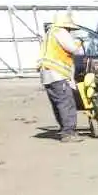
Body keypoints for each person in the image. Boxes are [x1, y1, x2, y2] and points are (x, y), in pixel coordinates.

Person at [37, 12, 84, 142]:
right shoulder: (60, 32)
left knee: (58, 103)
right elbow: (74, 49)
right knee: (67, 103)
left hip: (47, 74)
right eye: (70, 29)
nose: (70, 31)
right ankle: (68, 133)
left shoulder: (49, 33)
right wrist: (79, 44)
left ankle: (64, 129)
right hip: (57, 73)